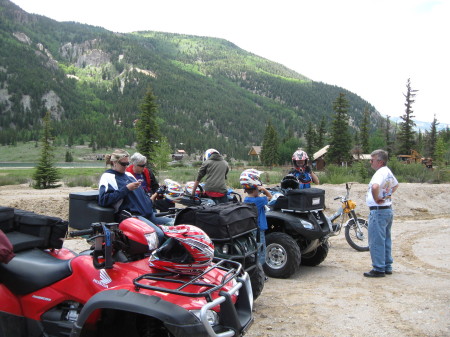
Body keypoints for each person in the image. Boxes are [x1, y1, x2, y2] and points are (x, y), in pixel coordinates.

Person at [98, 149, 171, 225]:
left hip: (148, 214)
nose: (126, 166)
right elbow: (103, 200)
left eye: (127, 163)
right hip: (133, 218)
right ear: (114, 162)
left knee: (174, 223)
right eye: (123, 164)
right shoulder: (108, 177)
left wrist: (150, 201)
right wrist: (126, 189)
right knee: (159, 234)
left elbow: (142, 194)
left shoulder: (129, 175)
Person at [364, 149, 398, 278]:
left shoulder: (380, 173)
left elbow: (374, 187)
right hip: (387, 209)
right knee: (386, 239)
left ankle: (378, 268)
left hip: (378, 211)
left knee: (376, 240)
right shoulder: (388, 172)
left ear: (380, 161)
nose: (370, 162)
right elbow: (396, 185)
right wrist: (387, 194)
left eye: (372, 160)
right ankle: (387, 265)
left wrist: (377, 197)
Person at [240, 169, 272, 266]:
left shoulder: (246, 200)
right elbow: (270, 197)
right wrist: (265, 190)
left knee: (254, 249)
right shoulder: (259, 200)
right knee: (261, 250)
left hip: (252, 229)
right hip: (259, 230)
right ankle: (260, 271)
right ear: (255, 188)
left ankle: (255, 268)